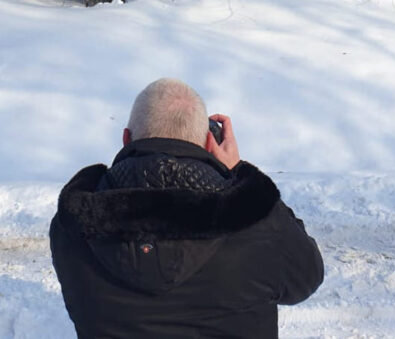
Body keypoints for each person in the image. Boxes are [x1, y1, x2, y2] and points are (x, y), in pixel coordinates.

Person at [49, 78, 324, 338]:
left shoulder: (74, 223)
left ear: (126, 139)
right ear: (209, 142)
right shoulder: (256, 222)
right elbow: (305, 279)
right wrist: (241, 175)